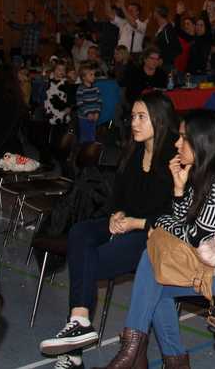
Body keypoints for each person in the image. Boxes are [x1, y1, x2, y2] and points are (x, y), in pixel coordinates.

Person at [101, 110, 215, 369]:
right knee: (155, 276)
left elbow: (193, 236)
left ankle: (136, 353)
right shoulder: (210, 172)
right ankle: (146, 355)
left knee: (153, 274)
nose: (176, 143)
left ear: (202, 141)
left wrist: (157, 223)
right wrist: (179, 188)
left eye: (183, 138)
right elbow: (187, 223)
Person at [39, 92, 179, 364]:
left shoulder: (174, 159)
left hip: (153, 233)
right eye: (133, 117)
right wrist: (116, 214)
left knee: (87, 262)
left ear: (160, 120)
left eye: (141, 117)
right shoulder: (135, 151)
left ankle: (73, 352)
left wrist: (135, 223)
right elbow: (118, 195)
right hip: (126, 222)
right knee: (80, 232)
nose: (134, 123)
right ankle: (80, 319)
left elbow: (176, 215)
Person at [76, 64, 102, 145]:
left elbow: (99, 101)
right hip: (83, 117)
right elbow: (80, 103)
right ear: (84, 77)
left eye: (94, 74)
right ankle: (83, 149)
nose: (93, 76)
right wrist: (88, 113)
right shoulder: (81, 89)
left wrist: (97, 112)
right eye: (91, 75)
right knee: (85, 136)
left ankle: (91, 149)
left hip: (94, 116)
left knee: (92, 134)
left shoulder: (96, 88)